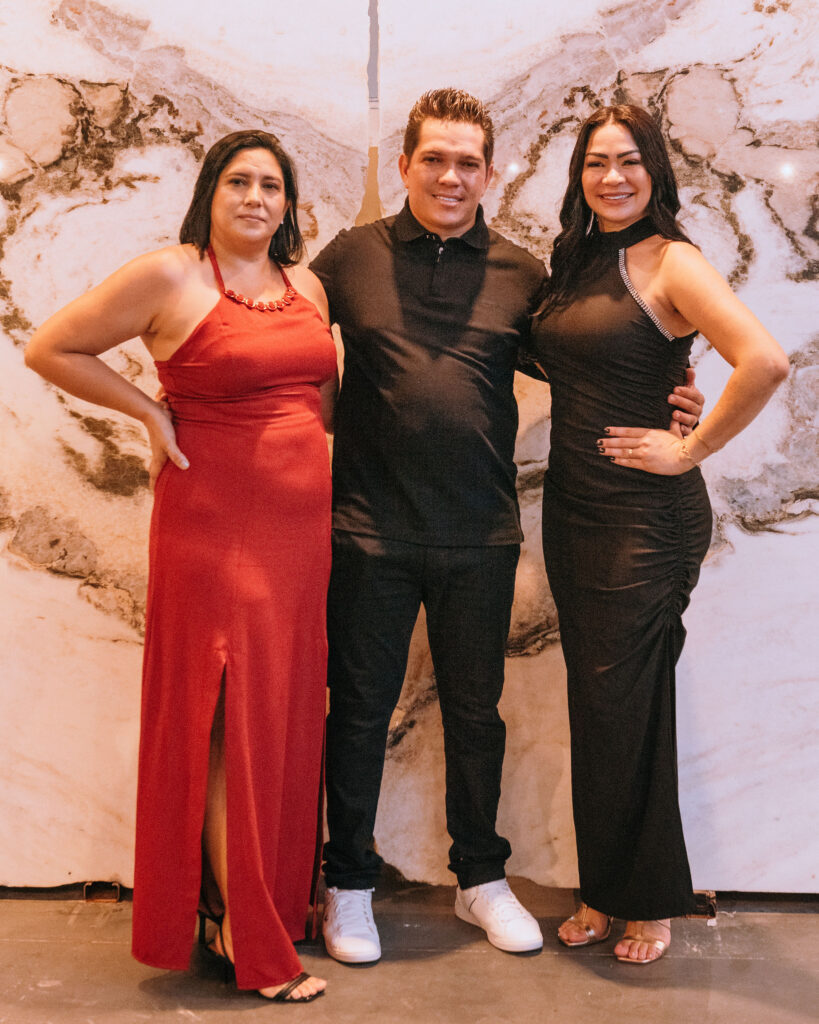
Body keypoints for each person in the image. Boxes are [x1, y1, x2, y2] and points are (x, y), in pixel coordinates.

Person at [309, 88, 705, 964]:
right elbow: (279, 334)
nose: (450, 177)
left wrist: (675, 402)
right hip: (368, 530)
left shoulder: (525, 274)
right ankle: (349, 884)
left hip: (480, 533)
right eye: (433, 159)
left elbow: (594, 354)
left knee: (476, 715)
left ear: (489, 173)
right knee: (361, 713)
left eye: (467, 162)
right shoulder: (350, 256)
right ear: (405, 164)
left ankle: (480, 879)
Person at [24, 130, 337, 1001]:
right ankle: (244, 929)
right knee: (223, 714)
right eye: (238, 181)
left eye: (271, 185)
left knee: (274, 714)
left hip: (298, 536)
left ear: (288, 203)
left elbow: (318, 398)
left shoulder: (305, 286)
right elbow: (51, 347)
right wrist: (147, 413)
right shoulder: (171, 274)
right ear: (210, 192)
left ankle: (239, 906)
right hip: (214, 526)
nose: (255, 198)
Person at [530, 104, 789, 964]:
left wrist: (691, 446)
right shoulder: (574, 263)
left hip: (645, 519)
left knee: (629, 709)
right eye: (595, 162)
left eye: (628, 161)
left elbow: (764, 360)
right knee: (597, 707)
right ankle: (603, 890)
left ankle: (645, 902)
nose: (611, 177)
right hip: (574, 509)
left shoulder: (673, 260)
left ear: (655, 172)